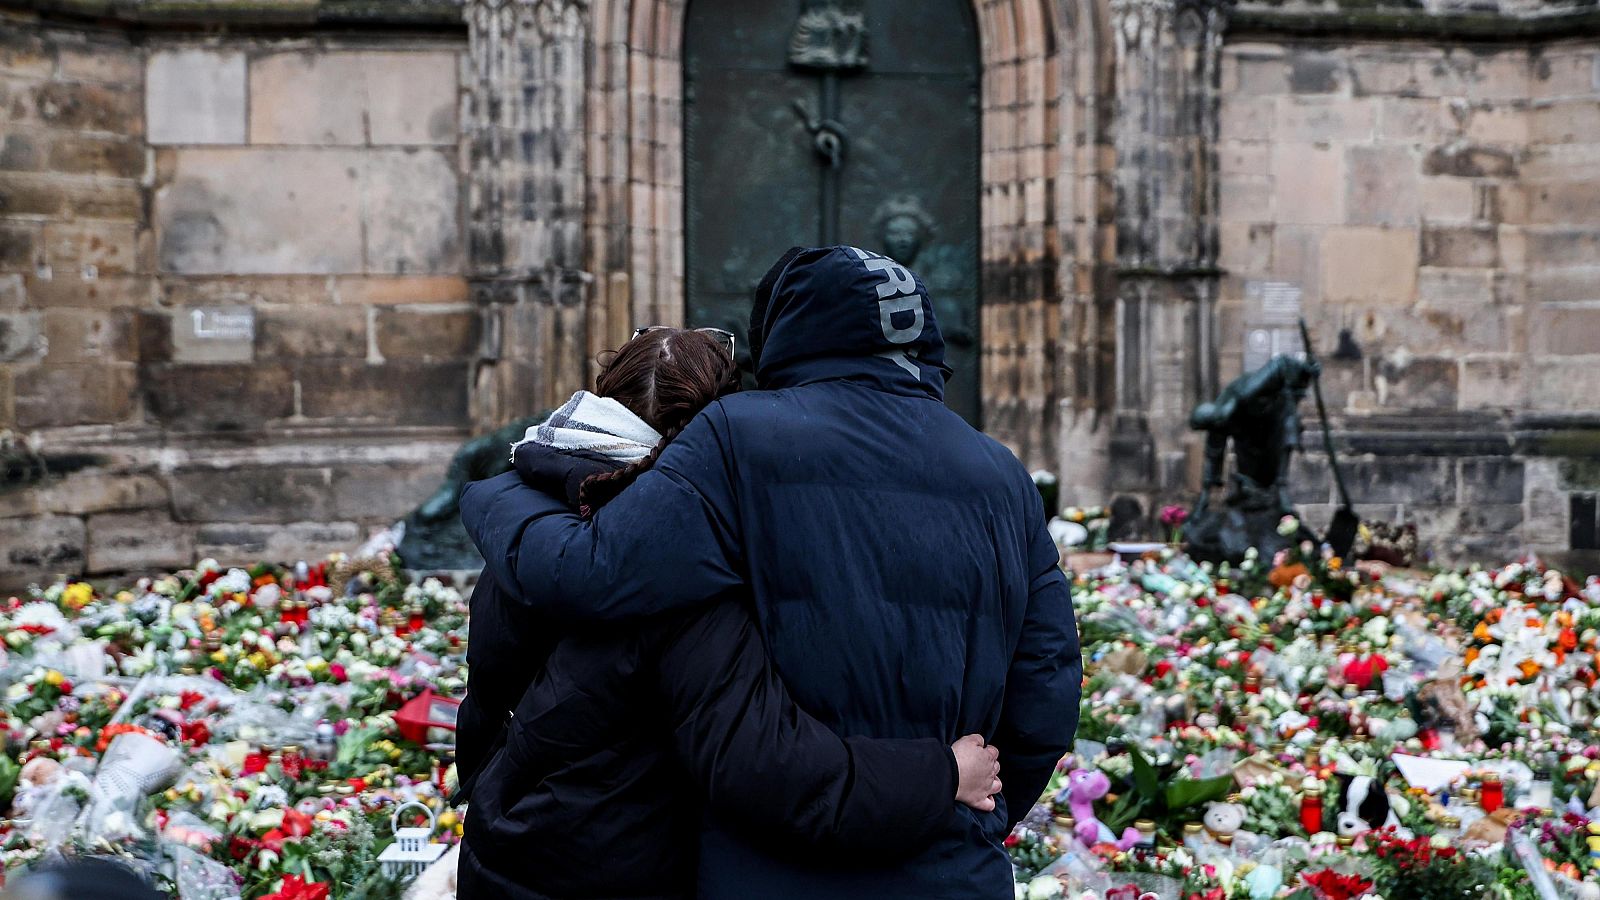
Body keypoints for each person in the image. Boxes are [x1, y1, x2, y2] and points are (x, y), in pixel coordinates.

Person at [461, 245, 1081, 898]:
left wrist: (501, 491)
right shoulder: (1003, 473)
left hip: (766, 865)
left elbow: (593, 570)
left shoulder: (737, 435)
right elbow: (1047, 684)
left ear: (784, 332)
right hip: (952, 863)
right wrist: (975, 810)